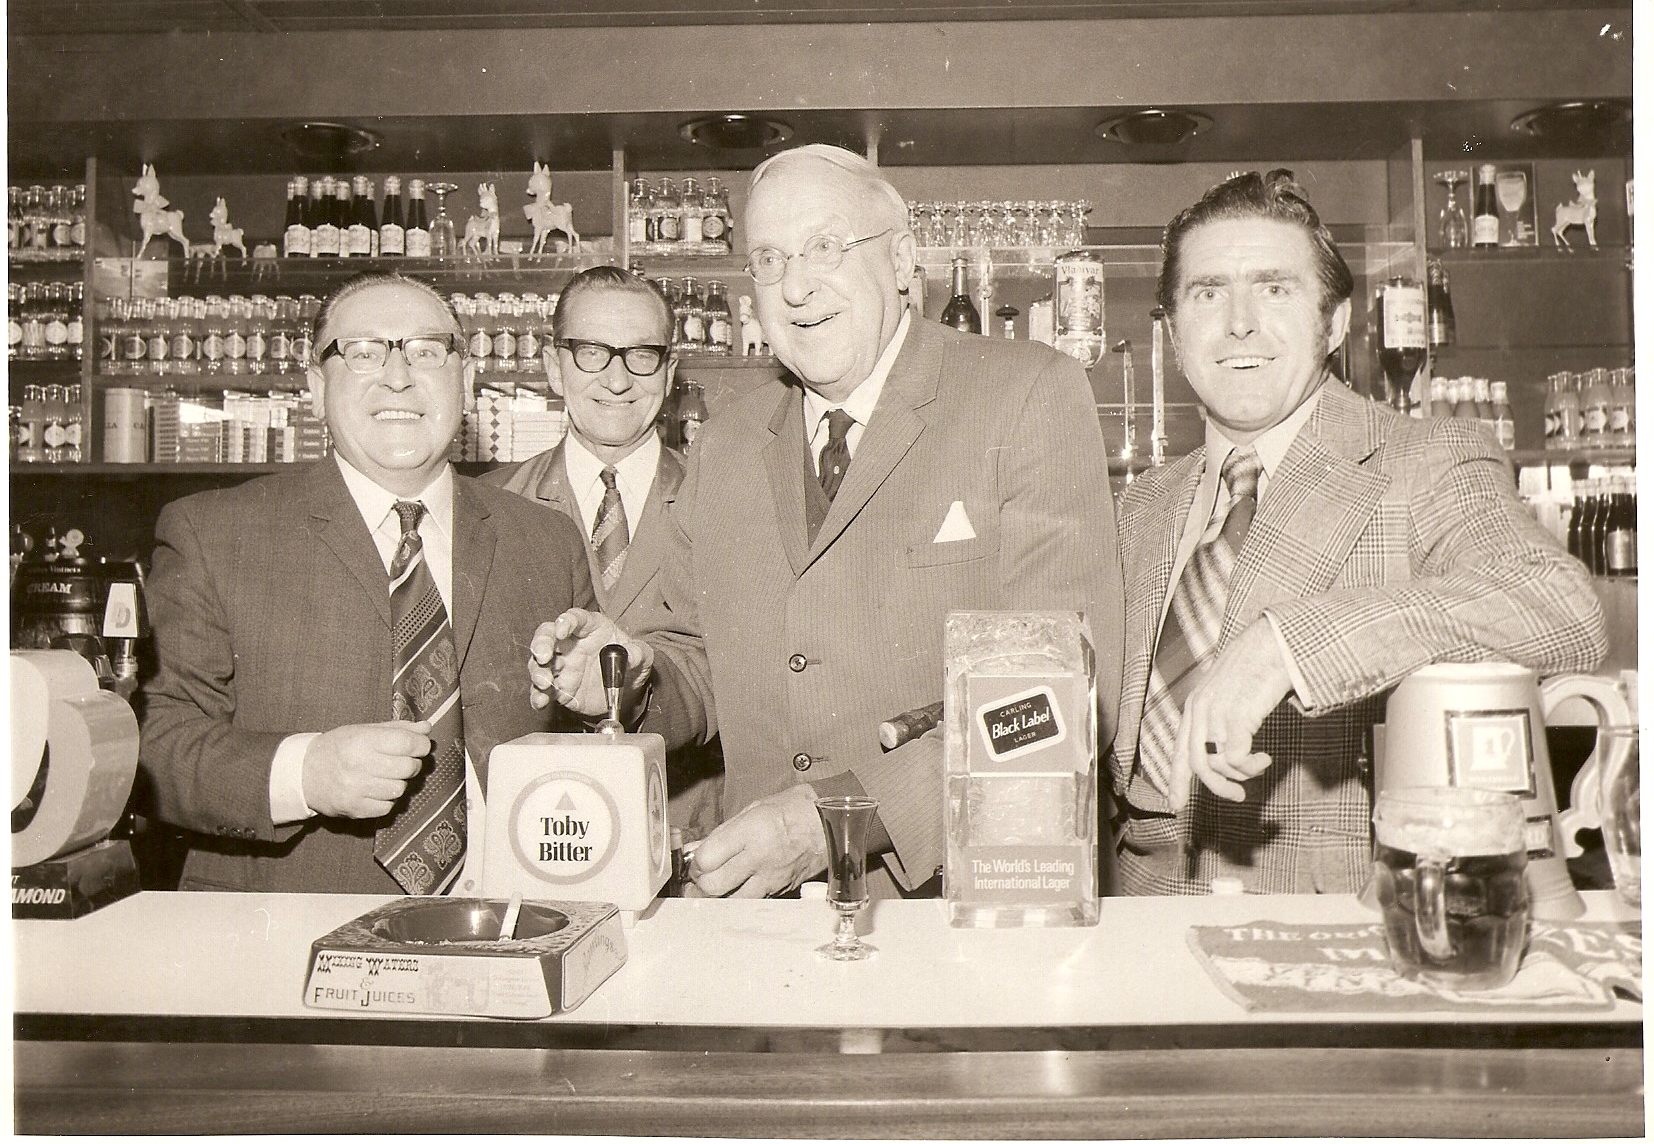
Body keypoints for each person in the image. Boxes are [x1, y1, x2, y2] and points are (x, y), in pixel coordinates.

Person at [532, 144, 1124, 900]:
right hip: (762, 917)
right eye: (770, 260)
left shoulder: (1025, 394)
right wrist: (628, 676)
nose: (797, 286)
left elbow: (1057, 699)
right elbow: (693, 655)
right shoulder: (729, 443)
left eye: (824, 248)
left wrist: (839, 818)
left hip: (951, 913)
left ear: (906, 260)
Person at [1110, 169, 1606, 895]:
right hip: (1133, 948)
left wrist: (1284, 647)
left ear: (1334, 324)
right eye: (1207, 291)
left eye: (1275, 288)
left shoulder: (1428, 459)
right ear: (1174, 329)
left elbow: (1558, 604)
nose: (1238, 321)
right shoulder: (1141, 507)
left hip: (1332, 945)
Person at [138, 271, 596, 894]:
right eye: (363, 353)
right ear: (315, 384)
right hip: (287, 942)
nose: (398, 376)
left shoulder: (545, 539)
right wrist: (304, 773)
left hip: (503, 932)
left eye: (427, 352)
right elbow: (153, 744)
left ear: (465, 383)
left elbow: (584, 748)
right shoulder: (213, 532)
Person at [485, 265, 723, 839]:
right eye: (592, 351)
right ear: (552, 365)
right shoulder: (489, 507)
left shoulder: (724, 506)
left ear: (669, 372)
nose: (617, 379)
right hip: (535, 837)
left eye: (641, 354)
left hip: (687, 849)